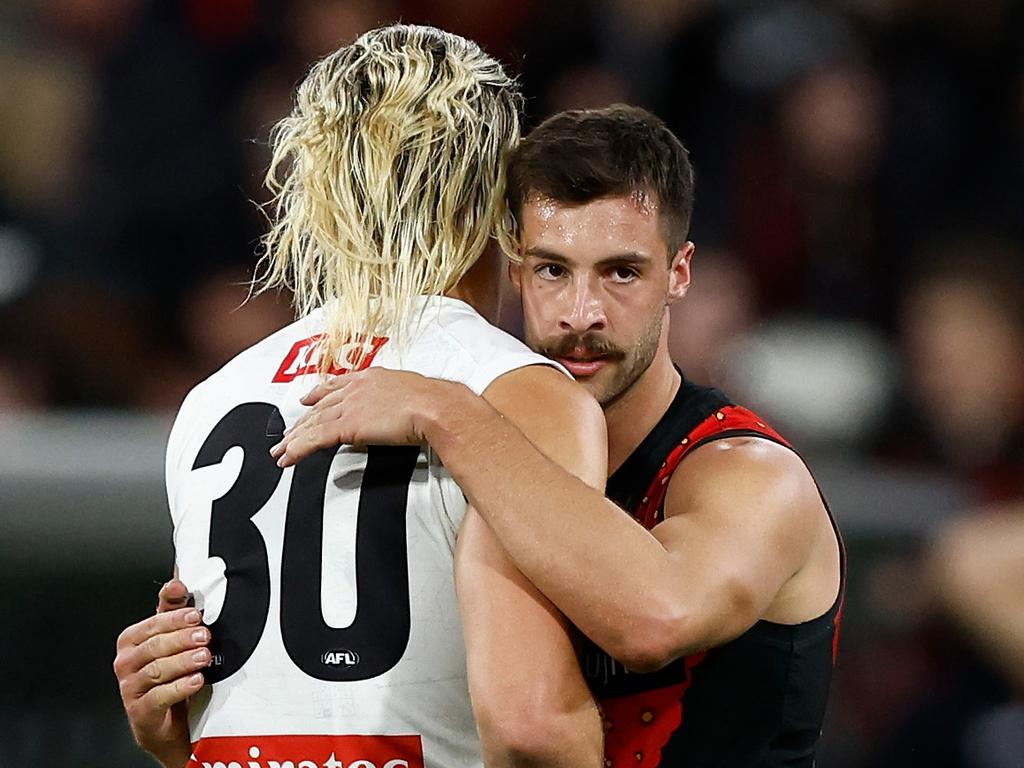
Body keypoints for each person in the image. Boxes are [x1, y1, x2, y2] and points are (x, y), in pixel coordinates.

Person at [273, 105, 847, 767]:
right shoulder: (482, 455)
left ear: (680, 273)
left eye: (621, 272)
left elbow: (655, 617)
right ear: (514, 272)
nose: (581, 314)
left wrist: (451, 414)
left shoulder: (751, 476)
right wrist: (185, 733)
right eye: (553, 270)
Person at [111, 25, 606, 768]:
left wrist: (169, 742)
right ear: (501, 201)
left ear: (314, 195)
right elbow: (531, 726)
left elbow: (263, 724)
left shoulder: (212, 401)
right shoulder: (514, 391)